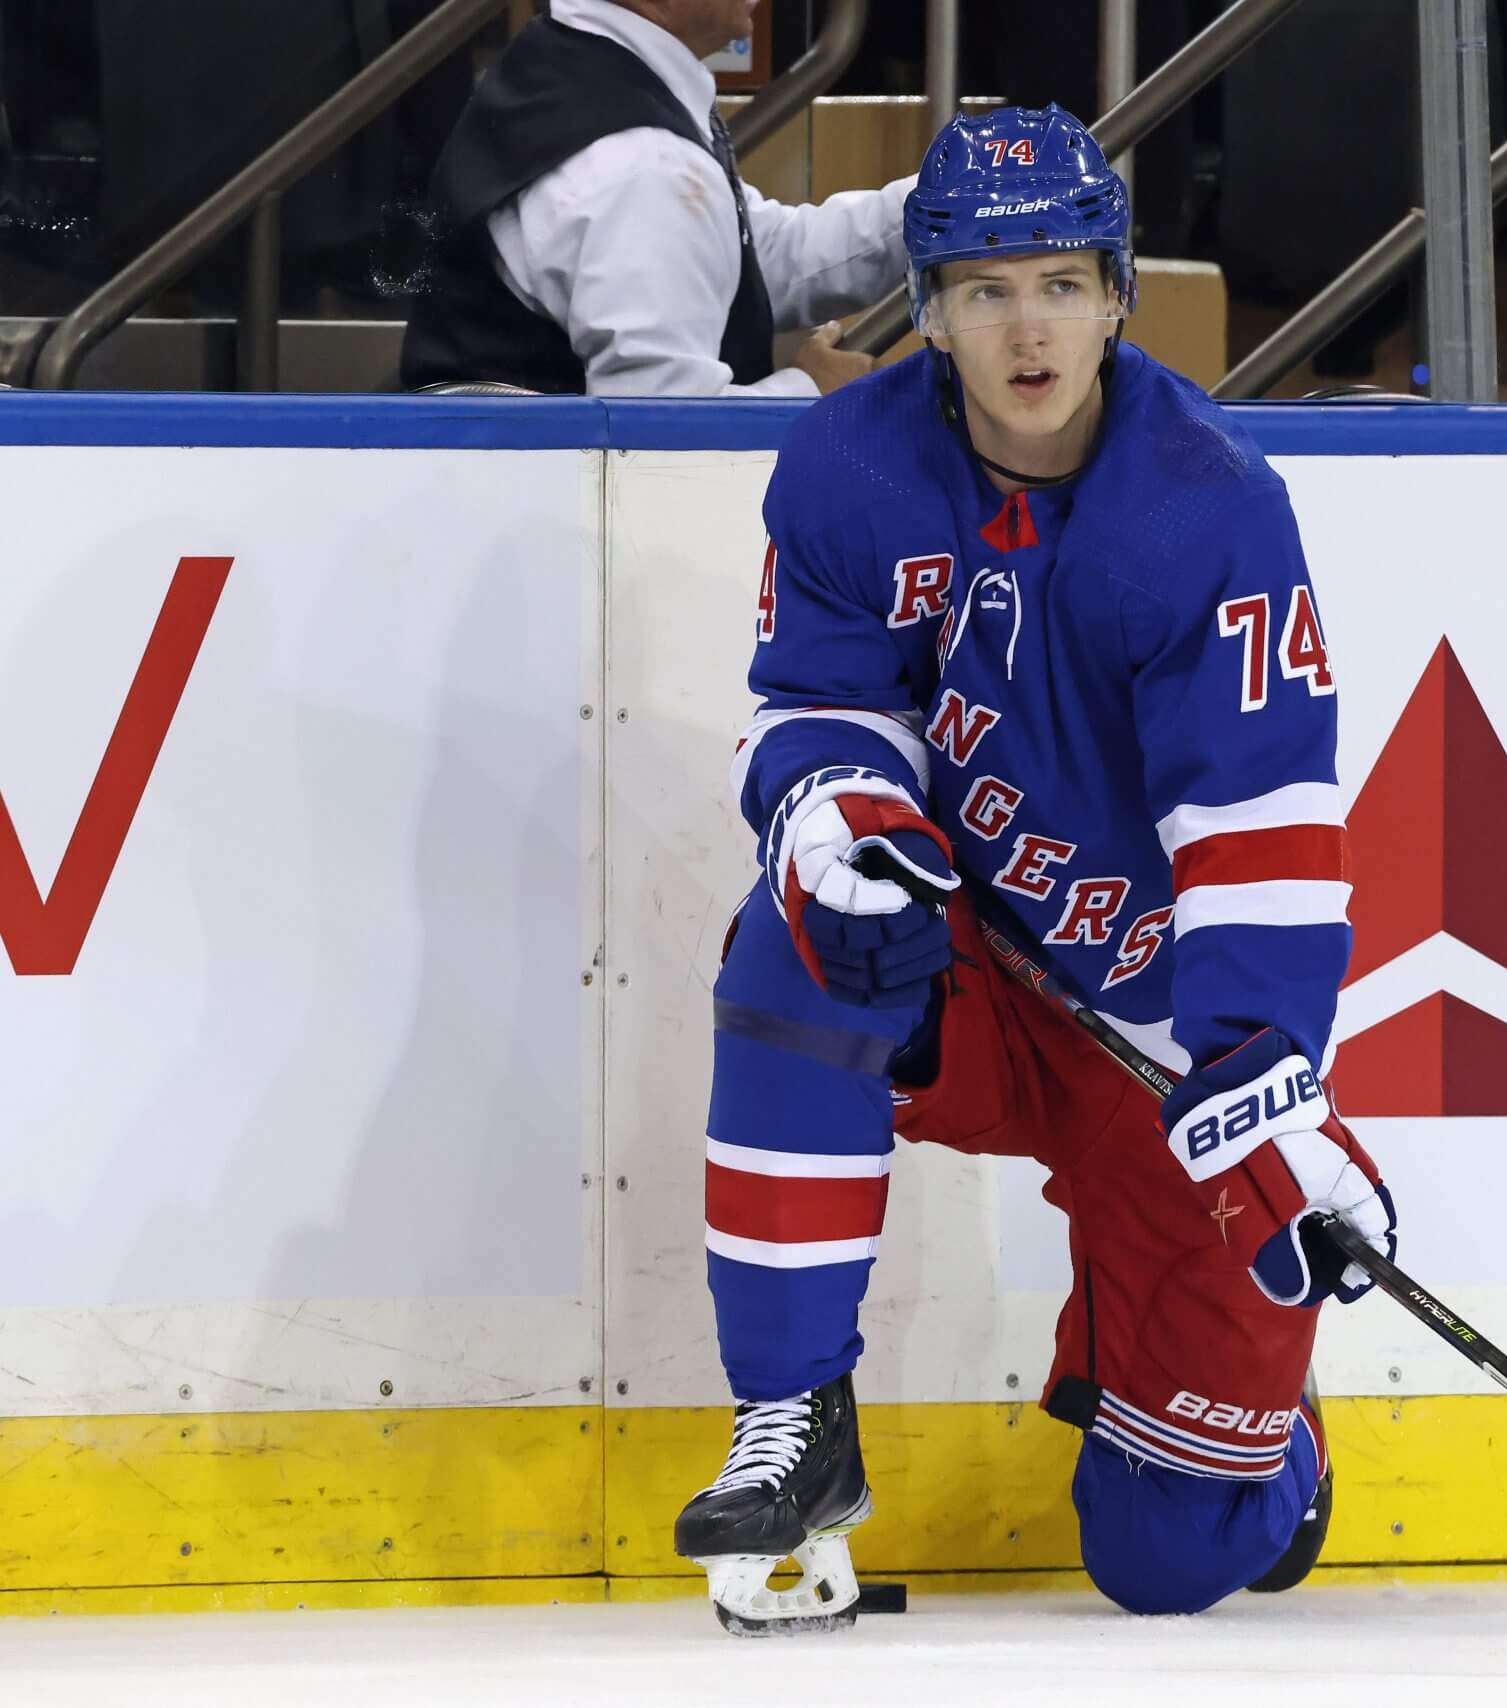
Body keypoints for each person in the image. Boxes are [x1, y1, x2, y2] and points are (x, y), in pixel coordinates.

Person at [669, 105, 1398, 1634]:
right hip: (979, 976)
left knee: (1168, 1560)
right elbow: (816, 712)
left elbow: (1260, 827)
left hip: (1154, 1043)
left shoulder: (1209, 511)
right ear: (926, 308)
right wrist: (844, 820)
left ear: (1119, 294)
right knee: (797, 935)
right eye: (986, 287)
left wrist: (1263, 1063)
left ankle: (1248, 1437)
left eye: (1063, 282)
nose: (1027, 326)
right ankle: (794, 1418)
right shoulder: (847, 474)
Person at [400, 0, 905, 396]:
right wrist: (812, 390)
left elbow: (750, 258)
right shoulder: (642, 167)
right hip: (548, 518)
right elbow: (658, 441)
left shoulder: (571, 58)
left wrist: (933, 208)